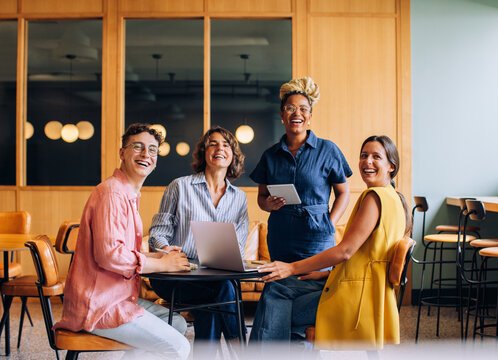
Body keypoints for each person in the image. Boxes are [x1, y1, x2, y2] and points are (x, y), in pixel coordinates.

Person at [253, 135, 412, 350]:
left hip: (356, 298)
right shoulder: (394, 198)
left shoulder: (373, 198)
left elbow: (345, 252)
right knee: (277, 291)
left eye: (376, 157)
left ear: (391, 166)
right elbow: (367, 257)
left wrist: (291, 267)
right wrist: (326, 273)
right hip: (366, 290)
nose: (367, 161)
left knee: (275, 298)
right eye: (364, 156)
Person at [54, 123, 191, 360]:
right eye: (137, 147)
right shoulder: (112, 193)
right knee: (179, 347)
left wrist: (158, 256)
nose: (146, 155)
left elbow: (123, 251)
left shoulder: (128, 194)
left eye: (152, 150)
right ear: (122, 153)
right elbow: (110, 255)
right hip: (98, 306)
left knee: (177, 324)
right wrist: (164, 265)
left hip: (117, 298)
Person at [249, 76, 352, 342]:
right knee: (281, 285)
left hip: (317, 237)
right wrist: (267, 204)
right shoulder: (270, 155)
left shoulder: (328, 150)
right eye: (291, 108)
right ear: (282, 115)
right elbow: (261, 197)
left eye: (303, 109)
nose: (297, 113)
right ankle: (294, 343)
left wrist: (330, 222)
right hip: (281, 235)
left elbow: (343, 193)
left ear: (310, 116)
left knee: (303, 287)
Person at [148, 126, 249, 346]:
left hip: (214, 277)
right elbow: (157, 234)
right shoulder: (179, 186)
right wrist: (169, 253)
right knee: (222, 288)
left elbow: (238, 244)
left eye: (226, 144)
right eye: (213, 143)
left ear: (233, 155)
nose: (219, 148)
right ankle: (239, 345)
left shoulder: (239, 198)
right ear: (204, 152)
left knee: (214, 297)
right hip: (176, 275)